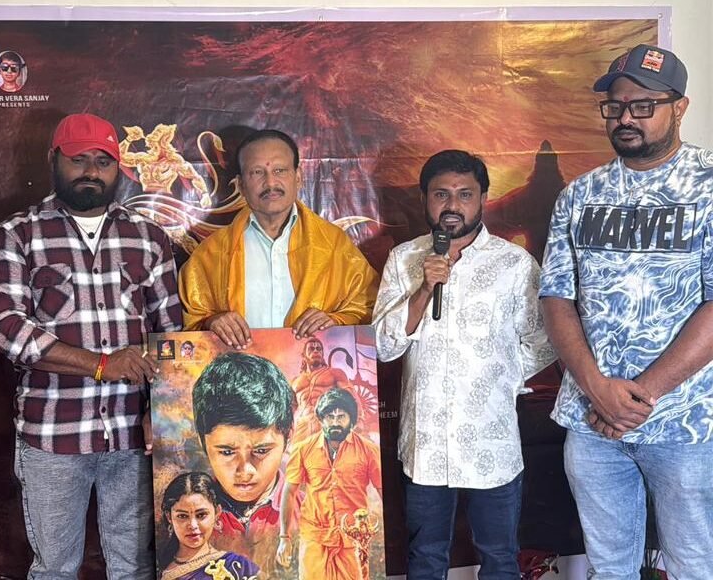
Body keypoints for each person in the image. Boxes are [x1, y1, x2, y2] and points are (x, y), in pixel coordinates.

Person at [539, 43, 713, 579]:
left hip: (685, 422)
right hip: (592, 420)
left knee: (693, 565)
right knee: (609, 568)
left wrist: (640, 398)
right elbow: (556, 298)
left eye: (643, 106)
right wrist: (598, 390)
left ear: (679, 107)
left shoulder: (708, 186)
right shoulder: (580, 195)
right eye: (614, 107)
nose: (626, 118)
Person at [0, 113, 182, 578]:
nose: (91, 171)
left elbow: (170, 335)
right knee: (56, 568)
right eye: (78, 159)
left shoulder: (149, 238)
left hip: (133, 436)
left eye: (103, 161)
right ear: (53, 159)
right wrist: (100, 364)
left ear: (119, 168)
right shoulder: (17, 234)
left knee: (135, 567)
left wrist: (159, 412)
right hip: (53, 434)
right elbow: (5, 326)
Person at [373, 149, 556, 579]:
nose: (452, 205)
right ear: (425, 198)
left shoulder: (514, 264)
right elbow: (384, 346)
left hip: (492, 440)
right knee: (425, 557)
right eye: (441, 194)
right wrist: (423, 289)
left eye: (464, 194)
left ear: (483, 198)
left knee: (499, 557)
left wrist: (499, 378)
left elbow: (543, 341)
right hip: (426, 443)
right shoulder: (404, 259)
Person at [178, 128, 379, 346]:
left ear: (298, 177)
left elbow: (369, 307)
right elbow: (189, 323)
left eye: (280, 170)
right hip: (241, 366)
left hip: (311, 365)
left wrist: (336, 321)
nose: (270, 183)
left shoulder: (334, 246)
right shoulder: (211, 254)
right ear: (241, 185)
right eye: (257, 172)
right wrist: (211, 322)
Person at [191, 351, 295, 570]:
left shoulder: (314, 513)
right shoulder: (180, 517)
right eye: (227, 452)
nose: (245, 470)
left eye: (261, 450)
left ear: (288, 436)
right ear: (202, 441)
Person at [277, 387, 383, 580]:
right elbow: (289, 492)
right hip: (315, 536)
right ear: (321, 419)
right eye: (329, 417)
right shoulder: (303, 449)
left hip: (353, 538)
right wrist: (284, 537)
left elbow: (383, 491)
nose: (335, 422)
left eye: (341, 417)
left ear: (351, 419)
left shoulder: (368, 450)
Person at [159, 471, 259, 580]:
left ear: (217, 513)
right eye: (182, 516)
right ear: (169, 517)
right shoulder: (159, 570)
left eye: (201, 515)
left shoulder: (238, 567)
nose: (193, 525)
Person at [290, 337, 355, 444]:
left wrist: (358, 421)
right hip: (303, 425)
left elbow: (351, 397)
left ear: (322, 354)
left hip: (326, 422)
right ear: (304, 355)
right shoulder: (295, 381)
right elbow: (290, 408)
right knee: (296, 453)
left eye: (319, 349)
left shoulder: (334, 373)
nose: (316, 351)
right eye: (311, 349)